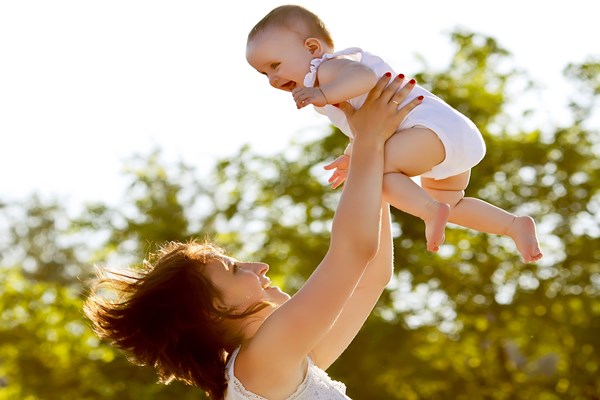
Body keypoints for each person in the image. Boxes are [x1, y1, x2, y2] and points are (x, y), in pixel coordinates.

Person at [84, 75, 421, 399]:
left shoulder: (275, 365)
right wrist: (367, 142)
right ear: (215, 308)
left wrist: (370, 160)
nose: (258, 266)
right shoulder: (264, 362)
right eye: (233, 270)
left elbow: (370, 277)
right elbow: (354, 253)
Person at [246, 4, 543, 263]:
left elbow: (363, 79)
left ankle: (429, 211)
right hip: (450, 134)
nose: (272, 78)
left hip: (428, 132)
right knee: (451, 202)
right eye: (264, 73)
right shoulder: (328, 82)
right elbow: (366, 128)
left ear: (312, 48)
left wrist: (323, 93)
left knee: (373, 174)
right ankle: (512, 225)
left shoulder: (328, 69)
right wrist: (351, 155)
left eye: (275, 65)